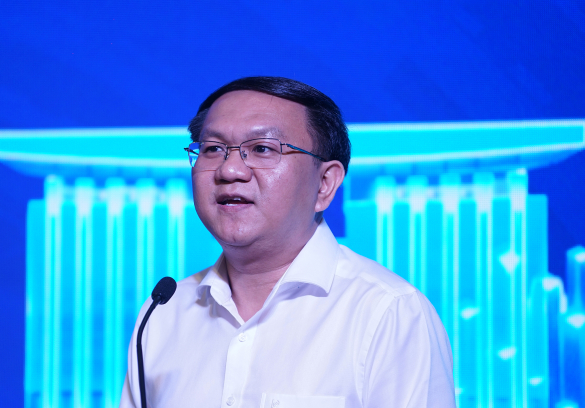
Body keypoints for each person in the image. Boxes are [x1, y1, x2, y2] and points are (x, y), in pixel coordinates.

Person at [119, 77, 455, 408]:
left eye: (262, 149)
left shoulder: (389, 313)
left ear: (325, 183)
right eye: (213, 149)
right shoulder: (164, 312)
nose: (230, 170)